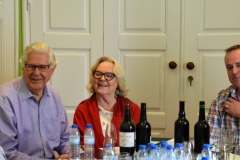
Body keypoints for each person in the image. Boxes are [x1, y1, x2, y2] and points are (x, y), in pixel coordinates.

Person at [0, 42, 70, 160]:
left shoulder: (54, 95)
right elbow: (7, 152)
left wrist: (73, 155)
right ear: (23, 67)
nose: (36, 73)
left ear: (52, 70)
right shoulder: (5, 97)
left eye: (42, 67)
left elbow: (65, 138)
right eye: (31, 66)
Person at [73, 55, 140, 158]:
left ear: (117, 82)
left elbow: (139, 146)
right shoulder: (83, 109)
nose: (102, 78)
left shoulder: (132, 109)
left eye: (109, 75)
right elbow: (79, 147)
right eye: (98, 74)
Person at [207, 44, 240, 142]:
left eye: (239, 65)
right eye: (229, 67)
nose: (234, 71)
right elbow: (210, 138)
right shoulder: (221, 98)